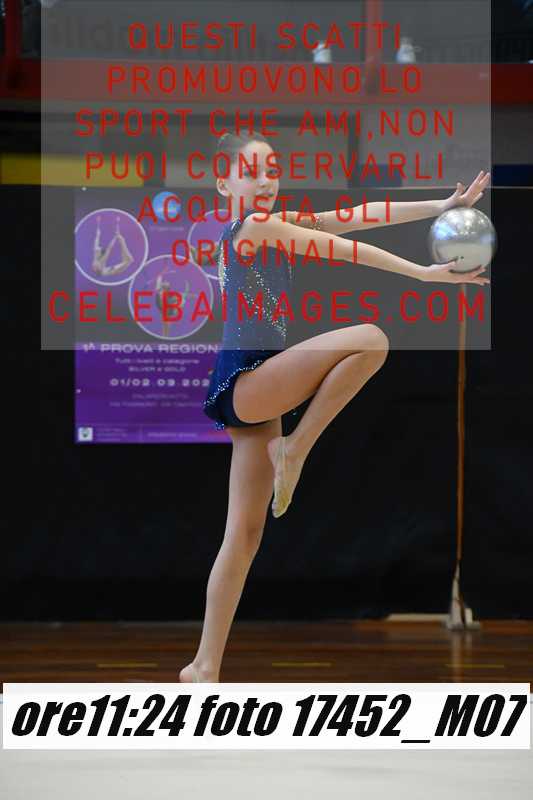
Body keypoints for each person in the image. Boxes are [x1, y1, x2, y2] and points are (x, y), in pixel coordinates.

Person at [179, 131, 490, 683]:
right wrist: (421, 274)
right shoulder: (256, 227)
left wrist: (440, 206)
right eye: (251, 171)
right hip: (248, 381)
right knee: (371, 339)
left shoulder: (274, 225)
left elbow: (358, 217)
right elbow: (349, 250)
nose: (266, 180)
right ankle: (294, 448)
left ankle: (203, 667)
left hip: (255, 386)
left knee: (243, 535)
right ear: (223, 183)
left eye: (271, 168)